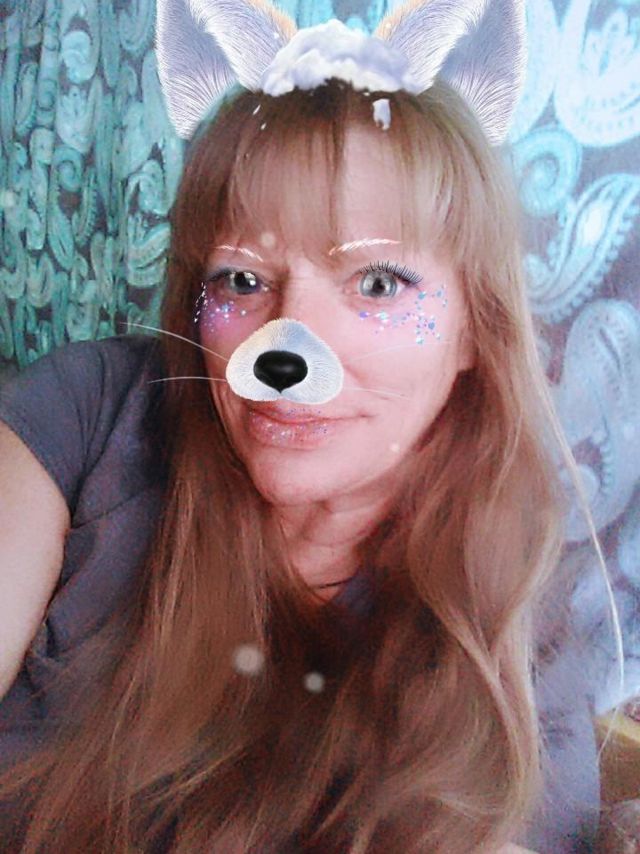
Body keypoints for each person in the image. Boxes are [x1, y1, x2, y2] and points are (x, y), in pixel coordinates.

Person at [0, 2, 607, 852]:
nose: (287, 348)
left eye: (379, 284)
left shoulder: (510, 631)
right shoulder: (90, 412)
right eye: (242, 281)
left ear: (475, 328)